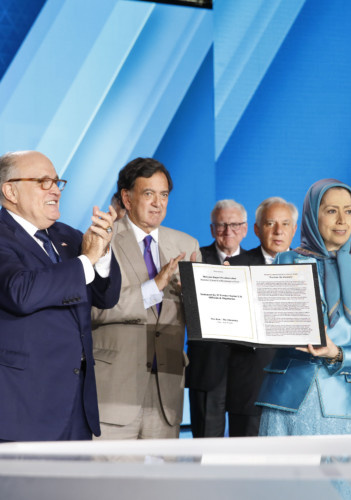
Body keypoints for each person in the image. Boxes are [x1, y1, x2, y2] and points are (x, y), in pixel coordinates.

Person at [0, 150, 120, 441]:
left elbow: (106, 297)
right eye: (43, 181)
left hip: (76, 408)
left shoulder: (67, 235)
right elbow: (21, 292)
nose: (55, 189)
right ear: (10, 190)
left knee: (75, 488)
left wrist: (101, 253)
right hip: (23, 408)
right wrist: (86, 260)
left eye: (57, 181)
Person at [256, 179, 351, 436]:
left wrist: (337, 352)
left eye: (348, 211)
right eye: (331, 211)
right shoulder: (285, 261)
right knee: (290, 476)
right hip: (288, 400)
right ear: (311, 215)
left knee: (346, 478)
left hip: (348, 403)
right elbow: (266, 325)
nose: (342, 220)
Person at [91, 157, 201, 439]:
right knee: (111, 483)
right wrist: (155, 285)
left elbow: (199, 320)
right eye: (148, 193)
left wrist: (218, 293)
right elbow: (94, 309)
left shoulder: (187, 245)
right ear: (127, 198)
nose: (158, 203)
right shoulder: (102, 238)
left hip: (166, 394)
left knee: (161, 483)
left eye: (163, 195)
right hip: (115, 391)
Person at [223, 197, 298, 436]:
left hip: (299, 388)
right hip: (250, 390)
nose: (278, 231)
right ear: (256, 229)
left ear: (294, 229)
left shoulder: (312, 266)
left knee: (298, 469)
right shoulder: (234, 267)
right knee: (248, 468)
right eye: (270, 223)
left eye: (285, 224)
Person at [186, 199, 248, 437]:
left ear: (244, 228)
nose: (228, 231)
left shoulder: (256, 262)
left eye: (234, 225)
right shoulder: (195, 258)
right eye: (221, 225)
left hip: (247, 372)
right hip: (207, 366)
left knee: (248, 451)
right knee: (206, 450)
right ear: (212, 229)